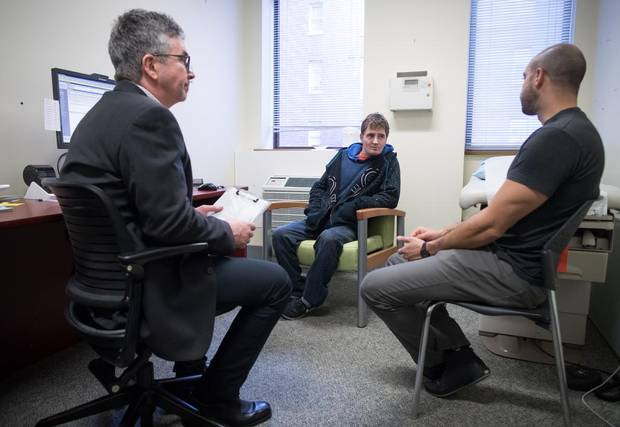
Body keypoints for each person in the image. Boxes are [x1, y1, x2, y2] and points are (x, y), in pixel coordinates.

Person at [61, 9, 291, 426]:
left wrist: (191, 211)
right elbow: (167, 226)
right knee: (275, 283)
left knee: (218, 254)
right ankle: (216, 398)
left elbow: (141, 211)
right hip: (147, 287)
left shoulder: (96, 117)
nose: (192, 72)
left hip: (104, 286)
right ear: (151, 65)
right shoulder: (151, 118)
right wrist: (227, 231)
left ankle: (192, 377)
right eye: (184, 59)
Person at [361, 43, 604, 398]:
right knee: (399, 260)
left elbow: (491, 225)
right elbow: (498, 217)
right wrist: (442, 233)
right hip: (505, 259)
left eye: (523, 77)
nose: (521, 85)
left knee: (373, 287)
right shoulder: (578, 132)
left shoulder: (556, 138)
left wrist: (430, 248)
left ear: (539, 77)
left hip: (512, 272)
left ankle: (439, 364)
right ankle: (460, 355)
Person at [272, 113, 400, 319]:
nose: (376, 141)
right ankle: (297, 290)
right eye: (371, 135)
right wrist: (314, 211)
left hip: (349, 224)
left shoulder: (388, 162)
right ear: (362, 136)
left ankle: (309, 300)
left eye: (381, 136)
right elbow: (320, 187)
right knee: (280, 234)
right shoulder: (343, 156)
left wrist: (355, 206)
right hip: (320, 218)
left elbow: (391, 196)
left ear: (386, 138)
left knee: (328, 239)